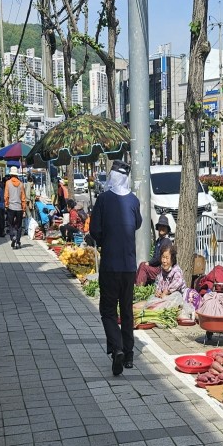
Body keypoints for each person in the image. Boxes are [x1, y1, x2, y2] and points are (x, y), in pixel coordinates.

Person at [89, 160, 142, 375]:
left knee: (108, 311)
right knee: (127, 310)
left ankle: (117, 347)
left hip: (110, 264)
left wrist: (104, 239)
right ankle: (128, 356)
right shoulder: (133, 200)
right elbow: (137, 223)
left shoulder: (103, 199)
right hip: (129, 266)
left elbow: (95, 230)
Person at [152, 244, 202, 309]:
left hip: (183, 298)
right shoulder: (162, 272)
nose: (164, 261)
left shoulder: (176, 271)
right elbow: (159, 283)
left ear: (172, 260)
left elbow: (178, 281)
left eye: (167, 258)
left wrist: (167, 291)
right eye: (163, 257)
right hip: (169, 298)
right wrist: (158, 291)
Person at [135, 215, 173, 286]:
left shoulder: (167, 242)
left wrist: (149, 263)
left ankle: (139, 290)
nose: (161, 228)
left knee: (144, 267)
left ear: (167, 229)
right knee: (142, 264)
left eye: (164, 226)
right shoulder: (158, 241)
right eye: (160, 226)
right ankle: (135, 285)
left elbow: (160, 258)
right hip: (156, 268)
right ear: (158, 228)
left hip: (162, 270)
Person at [4, 166, 27, 249]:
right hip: (19, 208)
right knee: (19, 225)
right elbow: (23, 197)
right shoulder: (21, 184)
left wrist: (6, 205)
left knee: (10, 224)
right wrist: (24, 208)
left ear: (11, 174)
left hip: (11, 207)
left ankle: (12, 236)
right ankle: (18, 241)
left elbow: (6, 195)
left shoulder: (8, 183)